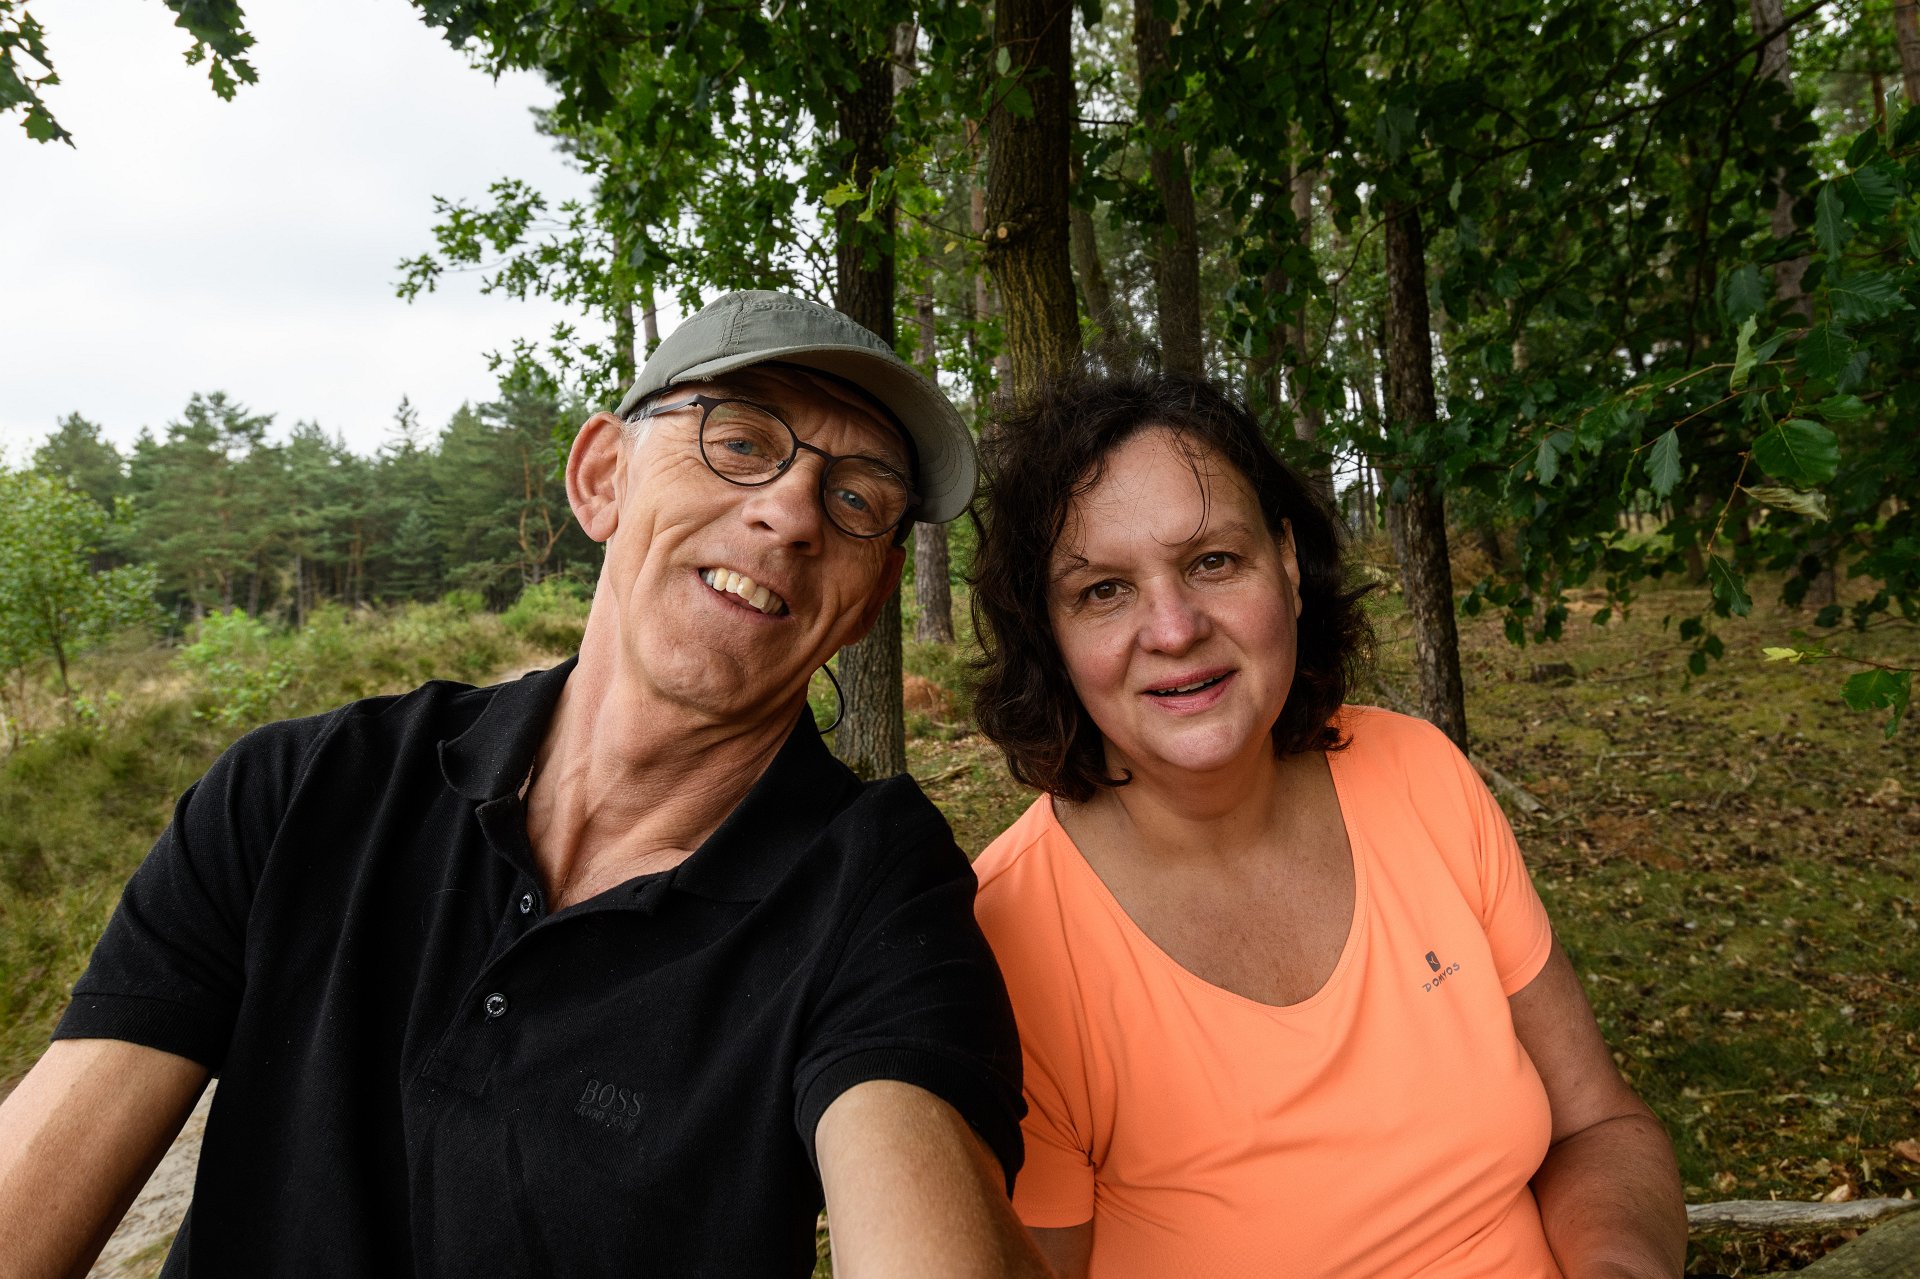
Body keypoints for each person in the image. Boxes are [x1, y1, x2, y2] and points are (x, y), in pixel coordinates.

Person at [0, 291, 1051, 1279]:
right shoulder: (299, 791)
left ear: (869, 600)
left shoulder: (878, 896)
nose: (792, 512)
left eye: (858, 496)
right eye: (739, 442)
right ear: (602, 477)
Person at [967, 372, 1687, 1278]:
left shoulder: (1419, 774)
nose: (1174, 628)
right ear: (1052, 635)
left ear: (1289, 564)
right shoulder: (1011, 936)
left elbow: (1597, 1122)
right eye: (1104, 589)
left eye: (1212, 562)